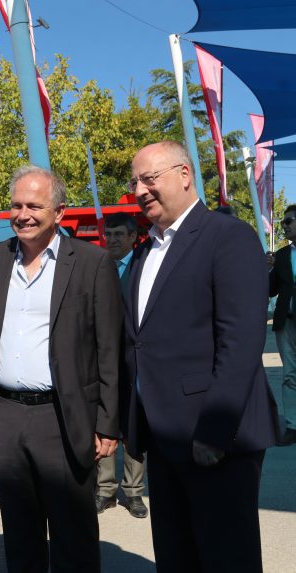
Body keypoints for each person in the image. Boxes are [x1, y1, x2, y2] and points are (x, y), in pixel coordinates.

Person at [123, 141, 278, 572]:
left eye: (149, 179)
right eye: (134, 182)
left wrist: (214, 432)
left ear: (185, 175)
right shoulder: (145, 250)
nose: (139, 190)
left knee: (226, 558)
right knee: (177, 557)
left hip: (215, 437)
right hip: (164, 437)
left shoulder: (228, 237)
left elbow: (240, 342)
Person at [0, 165, 122, 573]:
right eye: (16, 205)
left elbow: (109, 348)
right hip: (5, 417)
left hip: (62, 416)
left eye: (34, 206)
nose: (23, 214)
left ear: (59, 212)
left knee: (72, 534)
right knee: (20, 534)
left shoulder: (92, 262)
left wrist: (107, 423)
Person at [95, 212, 148, 519]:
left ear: (132, 237)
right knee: (104, 421)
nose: (112, 240)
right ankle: (105, 490)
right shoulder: (97, 266)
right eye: (109, 234)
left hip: (134, 361)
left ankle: (134, 491)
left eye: (118, 235)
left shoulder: (143, 267)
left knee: (134, 425)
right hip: (101, 360)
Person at [269, 203, 296, 446]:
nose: (284, 226)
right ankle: (292, 425)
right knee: (289, 375)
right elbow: (271, 289)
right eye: (283, 222)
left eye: (288, 221)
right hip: (286, 322)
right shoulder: (282, 256)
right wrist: (268, 269)